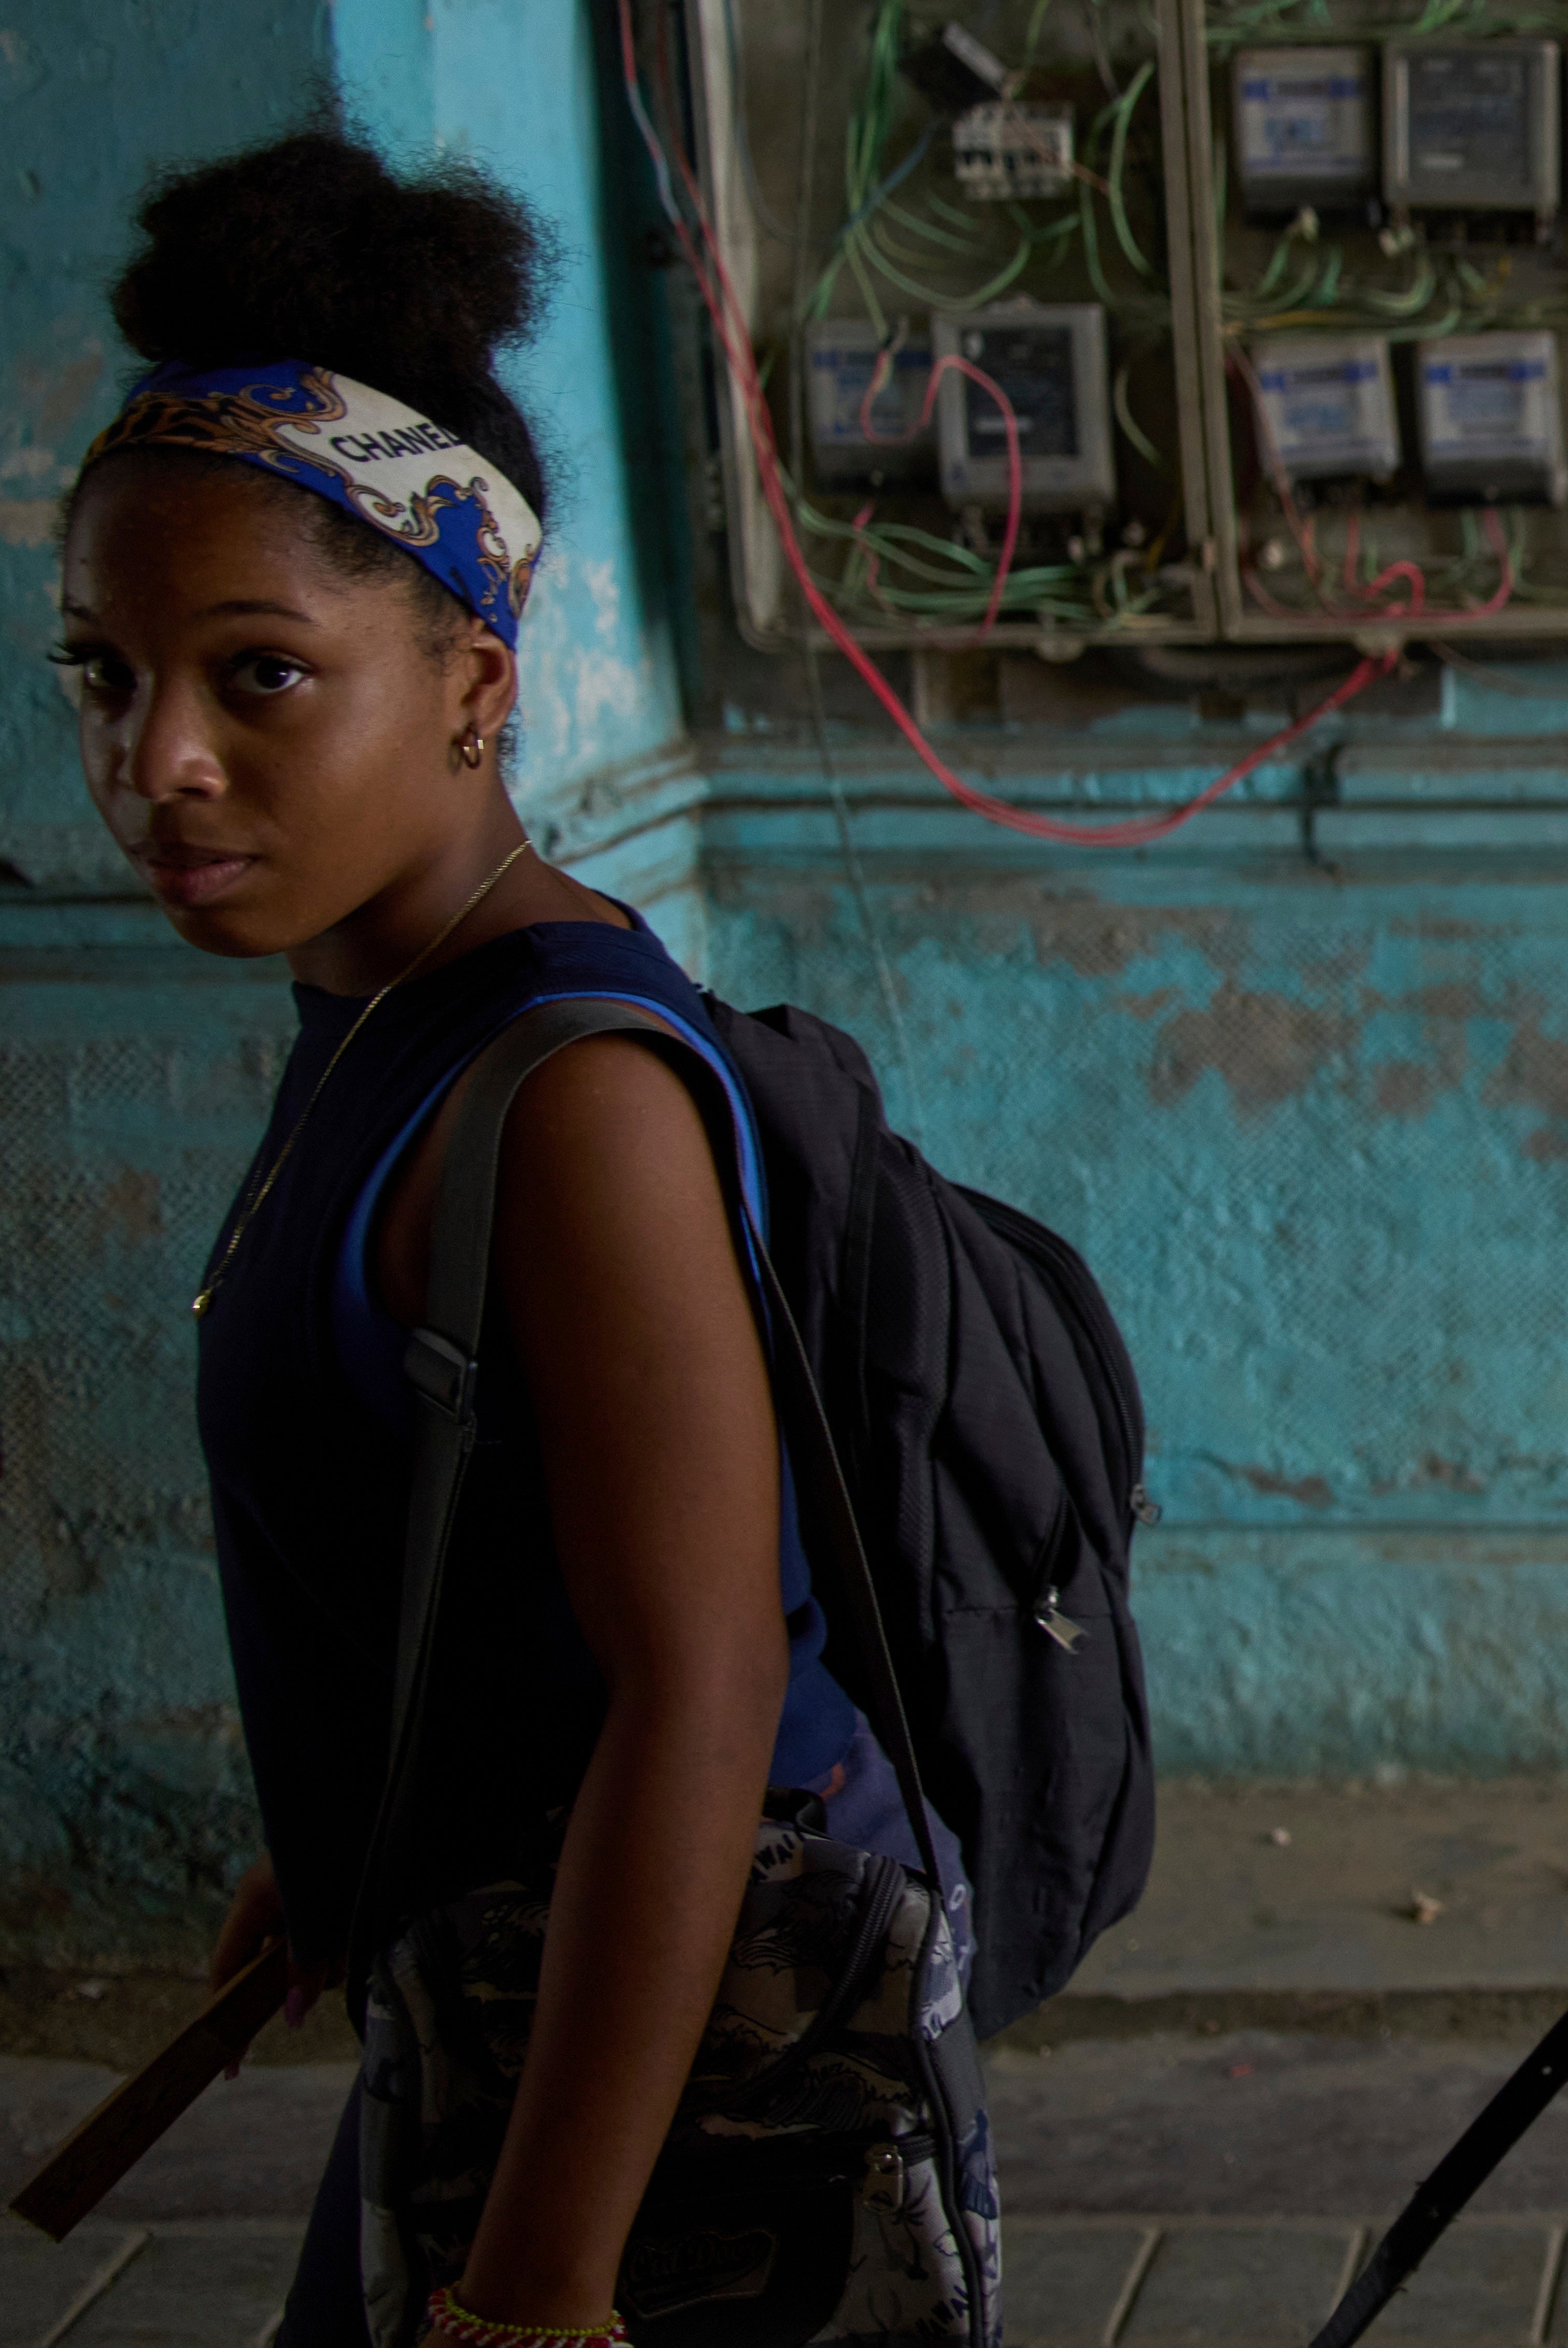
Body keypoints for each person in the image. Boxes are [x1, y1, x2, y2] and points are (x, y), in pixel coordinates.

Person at [51, 130, 983, 2346]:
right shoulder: (368, 1004)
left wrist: (550, 2279)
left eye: (257, 674)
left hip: (666, 2091)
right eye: (101, 674)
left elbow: (700, 1682)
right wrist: (368, 1818)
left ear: (475, 676)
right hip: (492, 1994)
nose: (158, 758)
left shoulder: (568, 1101)